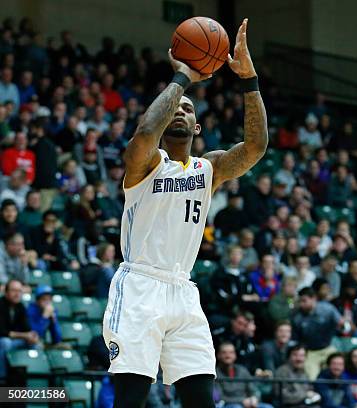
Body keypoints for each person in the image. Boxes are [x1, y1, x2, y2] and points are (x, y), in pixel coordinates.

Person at [102, 19, 268, 408]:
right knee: (131, 399)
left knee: (200, 399)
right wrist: (183, 77)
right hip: (140, 284)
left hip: (184, 291)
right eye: (175, 106)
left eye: (188, 108)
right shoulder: (145, 162)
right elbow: (145, 133)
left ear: (197, 125)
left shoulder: (208, 169)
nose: (180, 109)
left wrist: (249, 80)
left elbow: (256, 147)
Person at [292, 287, 342, 380]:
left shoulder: (328, 309)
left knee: (338, 367)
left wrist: (343, 326)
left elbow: (343, 326)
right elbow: (295, 339)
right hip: (311, 352)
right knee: (312, 378)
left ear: (313, 298)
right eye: (300, 301)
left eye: (304, 301)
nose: (301, 304)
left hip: (328, 348)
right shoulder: (297, 316)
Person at [0, 279, 39, 380]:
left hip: (14, 340)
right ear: (6, 292)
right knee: (5, 343)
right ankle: (2, 378)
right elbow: (2, 332)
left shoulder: (20, 306)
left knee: (34, 344)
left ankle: (31, 378)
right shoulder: (1, 305)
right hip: (3, 339)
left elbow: (27, 328)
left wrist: (32, 336)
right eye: (13, 290)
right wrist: (24, 335)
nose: (17, 294)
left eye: (19, 291)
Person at [215, 342, 272, 408]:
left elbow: (253, 389)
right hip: (228, 405)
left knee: (268, 407)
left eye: (231, 352)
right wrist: (242, 401)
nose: (228, 356)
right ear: (218, 355)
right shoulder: (215, 373)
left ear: (235, 355)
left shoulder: (242, 370)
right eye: (224, 353)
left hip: (247, 403)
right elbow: (219, 398)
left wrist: (254, 399)